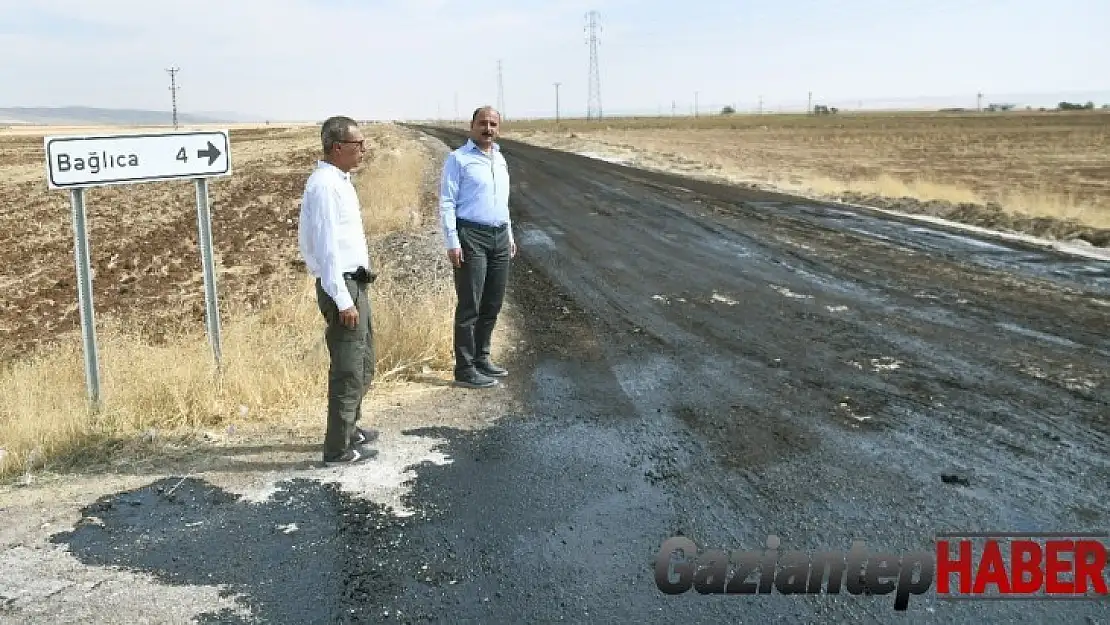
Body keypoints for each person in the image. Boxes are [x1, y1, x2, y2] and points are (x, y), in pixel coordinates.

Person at [298, 115, 380, 465]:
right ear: (337, 147)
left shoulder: (339, 180)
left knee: (363, 363)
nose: (363, 149)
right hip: (341, 285)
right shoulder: (325, 186)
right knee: (347, 369)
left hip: (354, 282)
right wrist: (344, 300)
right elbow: (327, 249)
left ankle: (350, 427)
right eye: (357, 144)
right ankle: (337, 449)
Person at [439, 106, 518, 388]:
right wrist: (452, 240)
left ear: (499, 128)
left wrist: (508, 234)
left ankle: (482, 357)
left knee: (493, 303)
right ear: (471, 126)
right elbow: (447, 201)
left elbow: (502, 201)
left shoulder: (500, 158)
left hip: (499, 236)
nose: (488, 128)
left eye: (493, 124)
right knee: (470, 304)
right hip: (470, 235)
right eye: (483, 123)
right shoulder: (458, 159)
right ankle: (464, 368)